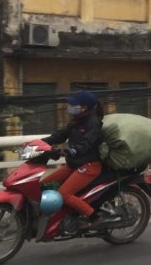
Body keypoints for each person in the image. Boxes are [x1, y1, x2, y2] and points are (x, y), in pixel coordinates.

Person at [41, 90, 107, 233]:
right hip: (74, 164)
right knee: (44, 186)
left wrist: (73, 150)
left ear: (83, 107)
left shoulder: (94, 123)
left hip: (89, 166)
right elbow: (59, 136)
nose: (69, 107)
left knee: (64, 193)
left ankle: (94, 218)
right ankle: (59, 217)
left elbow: (88, 142)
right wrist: (39, 143)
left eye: (73, 104)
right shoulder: (76, 121)